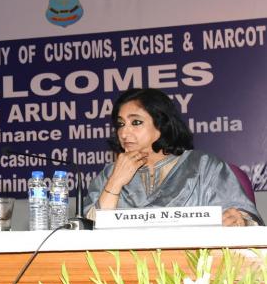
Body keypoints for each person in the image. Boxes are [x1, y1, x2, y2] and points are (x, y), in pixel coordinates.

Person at [83, 88, 262, 226]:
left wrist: (240, 220)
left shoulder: (203, 166)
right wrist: (115, 182)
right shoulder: (110, 174)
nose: (124, 132)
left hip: (195, 267)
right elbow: (90, 230)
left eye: (136, 122)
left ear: (161, 124)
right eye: (120, 124)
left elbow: (244, 219)